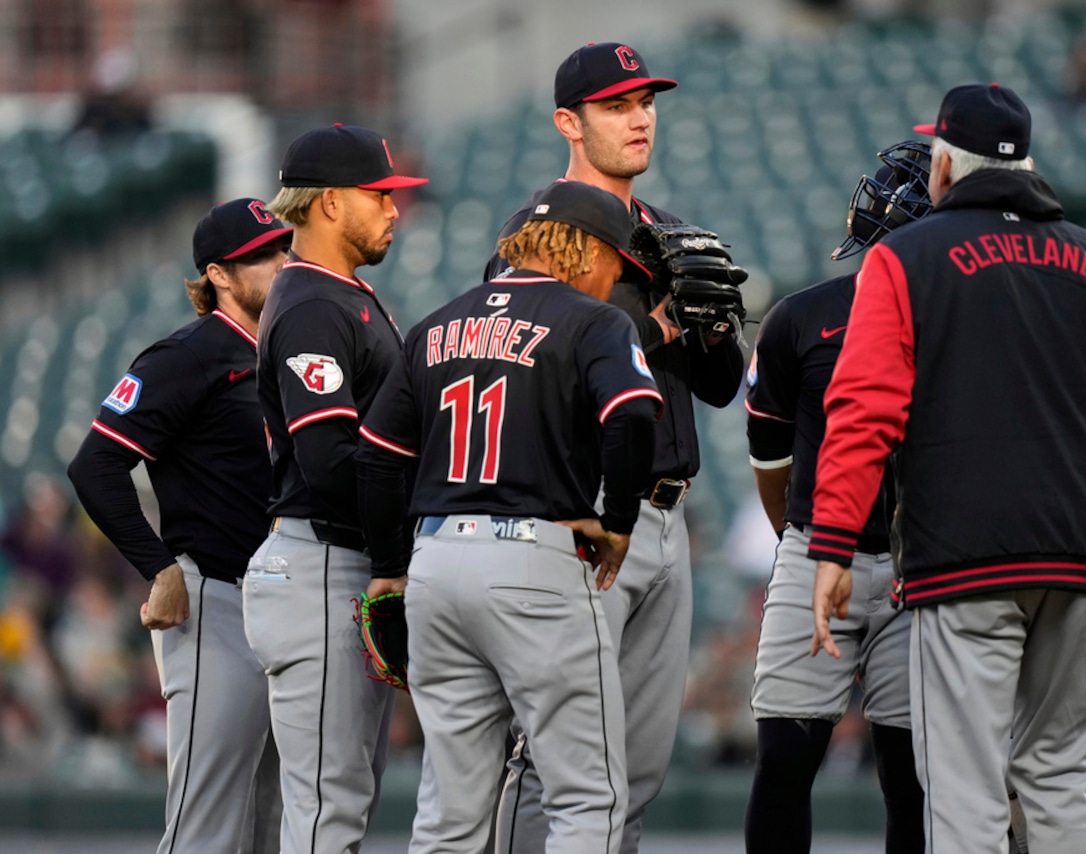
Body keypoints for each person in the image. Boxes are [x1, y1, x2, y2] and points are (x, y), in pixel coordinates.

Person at [808, 83, 1086, 853]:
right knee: (1060, 773)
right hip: (1084, 565)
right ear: (1027, 164)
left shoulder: (903, 258)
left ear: (941, 169)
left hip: (964, 565)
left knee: (965, 791)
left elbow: (863, 413)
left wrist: (831, 542)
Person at [482, 42, 745, 853]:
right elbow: (522, 348)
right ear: (569, 121)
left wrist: (703, 326)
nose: (639, 118)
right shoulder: (541, 233)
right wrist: (652, 324)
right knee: (555, 762)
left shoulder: (666, 231)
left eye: (646, 102)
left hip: (665, 520)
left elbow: (722, 383)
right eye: (615, 106)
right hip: (580, 518)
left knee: (635, 770)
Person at [356, 179, 663, 853]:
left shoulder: (436, 323)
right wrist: (617, 522)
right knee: (589, 797)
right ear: (584, 252)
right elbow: (633, 414)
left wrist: (388, 569)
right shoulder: (592, 321)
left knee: (449, 816)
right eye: (617, 265)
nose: (616, 283)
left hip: (436, 561)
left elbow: (377, 461)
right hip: (532, 559)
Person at [67, 198, 293, 853]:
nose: (284, 264)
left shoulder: (288, 353)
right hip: (217, 603)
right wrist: (158, 565)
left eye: (285, 250)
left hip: (288, 601)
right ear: (221, 274)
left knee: (269, 826)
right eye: (264, 256)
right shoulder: (191, 353)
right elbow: (96, 465)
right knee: (208, 825)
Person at [743, 141, 932, 854]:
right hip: (822, 547)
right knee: (786, 756)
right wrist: (801, 540)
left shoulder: (958, 317)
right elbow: (770, 451)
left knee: (910, 774)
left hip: (923, 561)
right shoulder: (801, 318)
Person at [245, 123, 428, 853]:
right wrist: (400, 546)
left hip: (336, 563)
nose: (393, 208)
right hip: (324, 564)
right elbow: (329, 460)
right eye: (378, 194)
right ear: (325, 205)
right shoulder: (315, 305)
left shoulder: (338, 293)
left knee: (339, 806)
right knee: (328, 812)